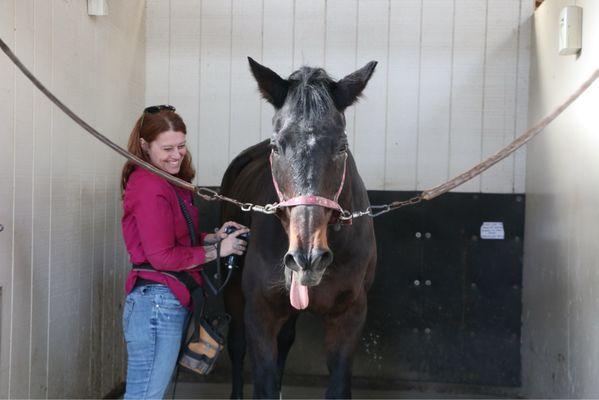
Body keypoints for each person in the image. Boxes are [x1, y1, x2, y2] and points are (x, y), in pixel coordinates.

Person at [120, 105, 249, 399]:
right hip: (156, 303)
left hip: (168, 300)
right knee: (145, 395)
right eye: (167, 148)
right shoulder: (149, 186)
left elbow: (177, 237)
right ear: (144, 146)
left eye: (181, 146)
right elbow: (162, 256)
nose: (176, 155)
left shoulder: (172, 181)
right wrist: (218, 251)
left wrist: (211, 238)